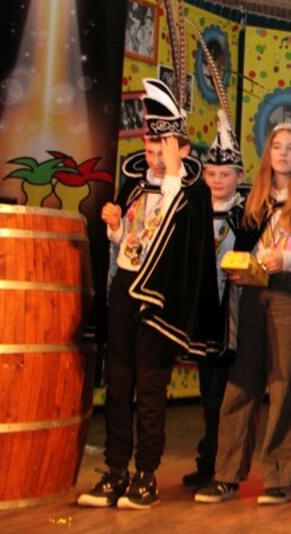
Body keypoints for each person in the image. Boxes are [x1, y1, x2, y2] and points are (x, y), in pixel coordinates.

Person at [77, 78, 221, 510]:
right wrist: (116, 227)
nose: (156, 157)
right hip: (126, 287)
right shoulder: (136, 186)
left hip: (159, 302)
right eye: (151, 146)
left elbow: (180, 242)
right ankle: (116, 471)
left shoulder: (191, 194)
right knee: (119, 385)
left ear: (182, 149)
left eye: (165, 148)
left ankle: (146, 475)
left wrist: (174, 169)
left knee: (151, 388)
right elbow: (131, 243)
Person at [195, 123, 291, 506]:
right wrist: (241, 267)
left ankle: (279, 476)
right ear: (268, 153)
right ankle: (225, 475)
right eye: (277, 146)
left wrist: (286, 260)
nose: (283, 153)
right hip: (253, 295)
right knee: (241, 382)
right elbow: (242, 247)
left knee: (285, 384)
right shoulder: (254, 202)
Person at [182, 109, 248, 489]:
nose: (217, 180)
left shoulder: (247, 216)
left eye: (225, 174)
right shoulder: (194, 212)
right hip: (206, 311)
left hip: (235, 313)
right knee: (208, 391)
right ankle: (208, 460)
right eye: (210, 174)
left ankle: (225, 465)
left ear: (239, 176)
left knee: (226, 394)